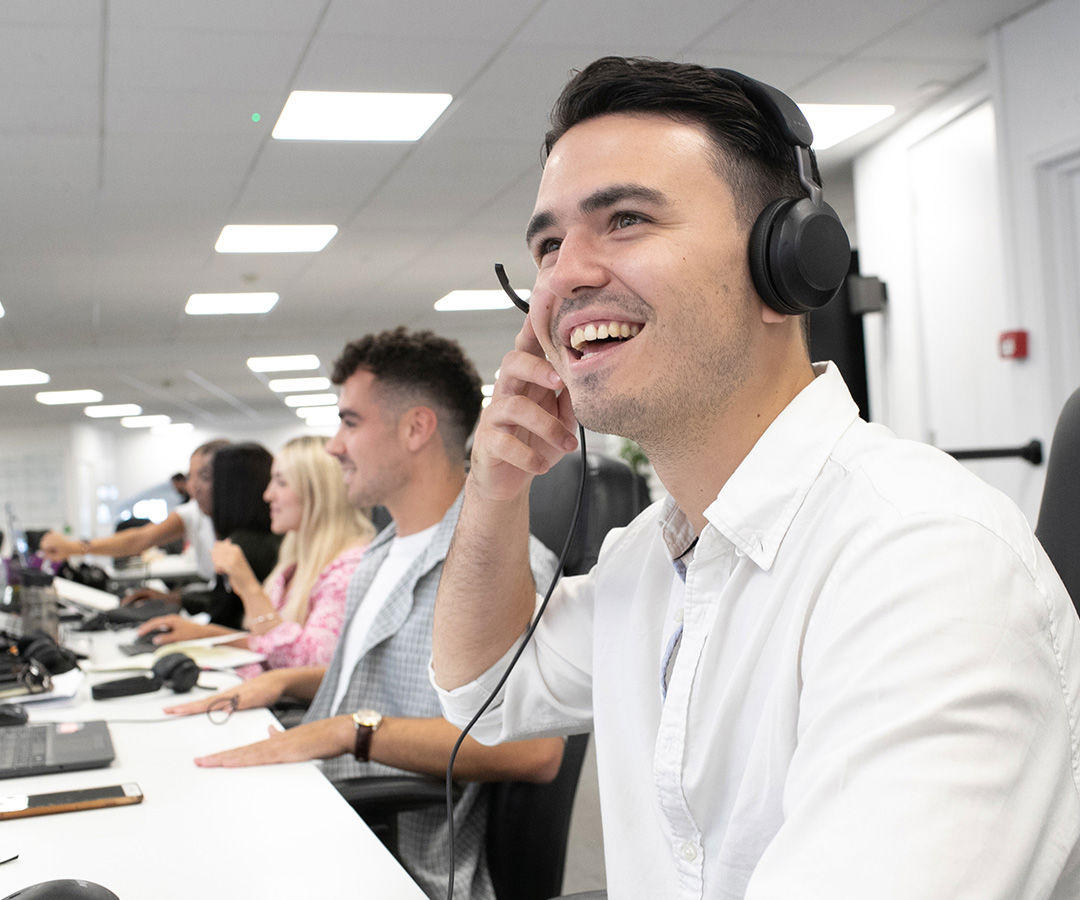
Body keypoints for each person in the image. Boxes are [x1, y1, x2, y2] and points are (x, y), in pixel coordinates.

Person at [430, 57, 1080, 899]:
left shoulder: (923, 562)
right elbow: (483, 691)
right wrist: (492, 485)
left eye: (625, 219)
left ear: (790, 265)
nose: (560, 277)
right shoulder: (647, 562)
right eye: (547, 244)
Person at [166, 328, 562, 900]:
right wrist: (286, 680)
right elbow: (384, 684)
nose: (332, 446)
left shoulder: (505, 566)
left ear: (416, 429)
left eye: (350, 422)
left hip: (389, 854)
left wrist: (350, 732)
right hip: (323, 809)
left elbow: (534, 749)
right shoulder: (378, 554)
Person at [137, 435, 374, 673]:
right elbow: (266, 644)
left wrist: (247, 585)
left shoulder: (349, 569)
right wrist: (204, 635)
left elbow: (308, 665)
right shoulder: (295, 560)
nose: (268, 495)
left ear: (318, 491)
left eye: (281, 483)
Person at [39, 439, 227, 583]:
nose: (192, 487)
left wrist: (73, 548)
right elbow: (140, 538)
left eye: (202, 477)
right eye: (190, 477)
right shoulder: (194, 512)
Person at [192, 442, 282, 629]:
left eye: (207, 478)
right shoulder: (270, 539)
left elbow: (223, 619)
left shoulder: (240, 547)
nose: (195, 488)